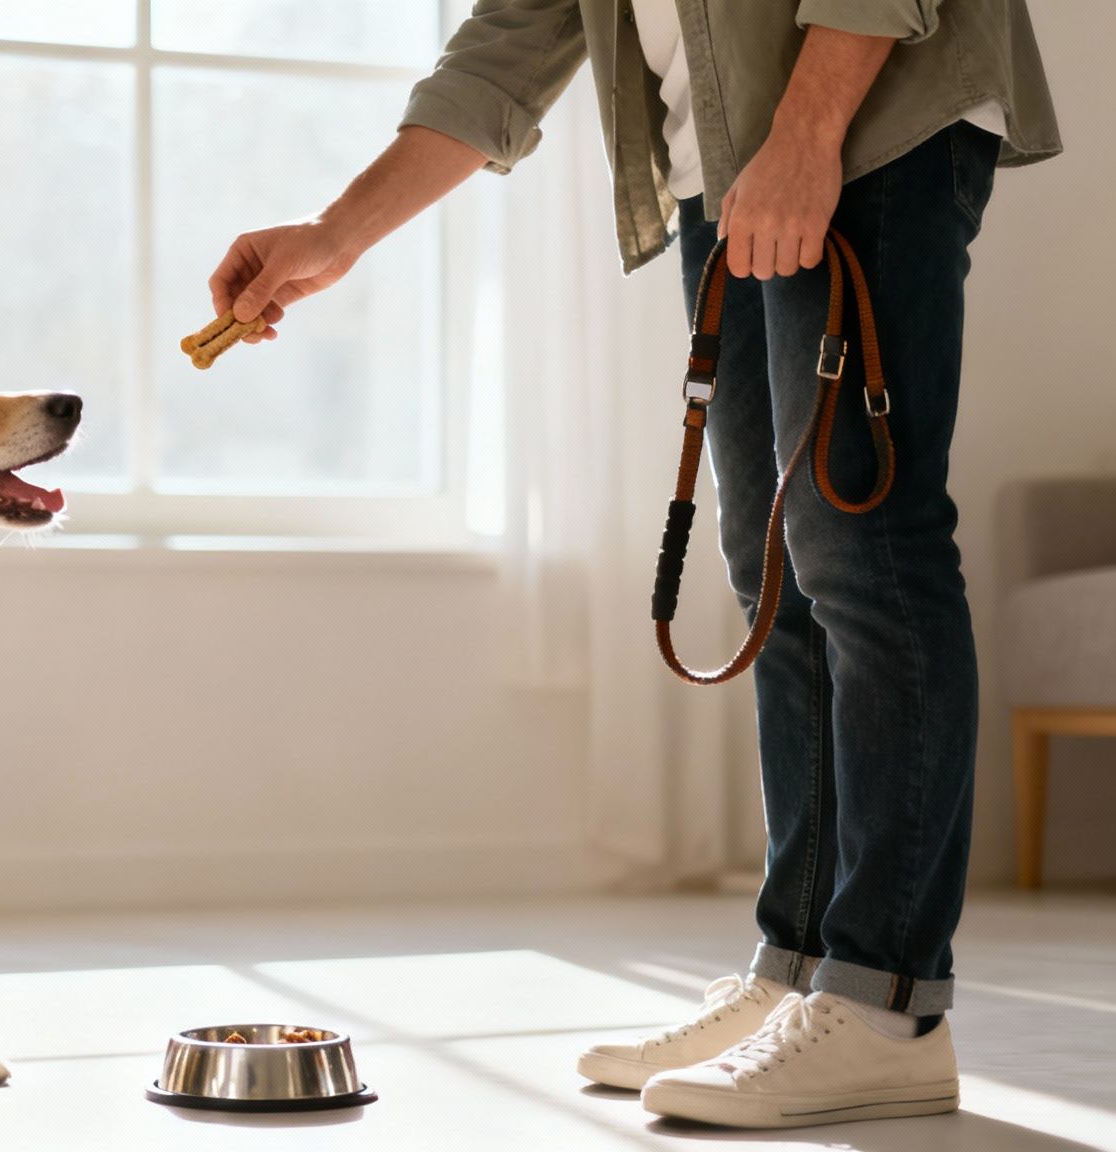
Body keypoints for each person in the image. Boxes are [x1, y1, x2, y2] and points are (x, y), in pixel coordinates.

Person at [208, 0, 1061, 1130]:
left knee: (864, 547)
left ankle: (886, 1003)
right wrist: (337, 231)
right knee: (773, 568)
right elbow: (509, 41)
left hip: (865, 123)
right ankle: (798, 970)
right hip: (723, 154)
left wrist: (806, 137)